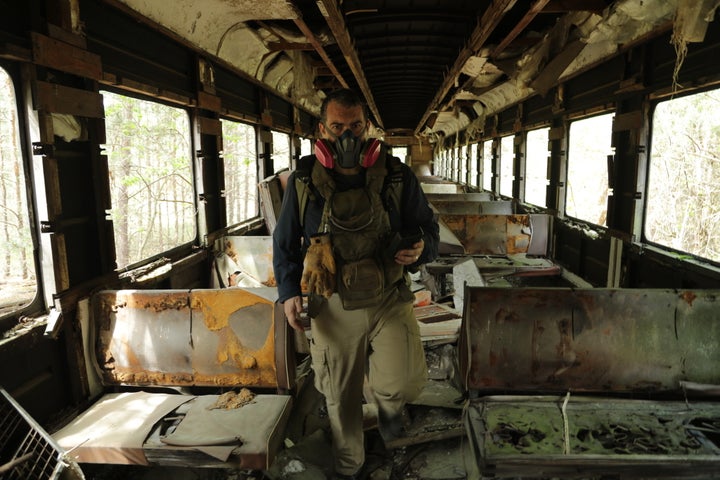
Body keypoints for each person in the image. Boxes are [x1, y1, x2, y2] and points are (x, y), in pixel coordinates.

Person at [272, 88, 439, 479]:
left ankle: (386, 412)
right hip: (330, 304)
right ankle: (351, 466)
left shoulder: (397, 176)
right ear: (322, 130)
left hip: (387, 298)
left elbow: (428, 230)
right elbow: (284, 243)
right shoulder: (303, 181)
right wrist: (288, 293)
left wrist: (420, 250)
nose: (347, 137)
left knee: (403, 382)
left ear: (368, 127)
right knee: (338, 397)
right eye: (337, 127)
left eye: (355, 127)